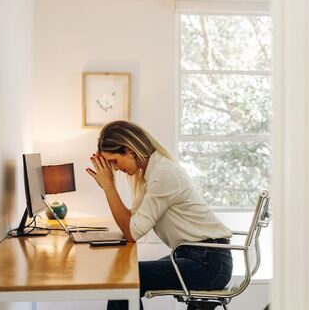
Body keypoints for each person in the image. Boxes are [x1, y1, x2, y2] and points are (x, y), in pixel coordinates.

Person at [86, 120, 233, 310]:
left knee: (122, 280)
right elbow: (132, 224)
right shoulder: (150, 174)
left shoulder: (162, 174)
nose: (114, 169)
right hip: (196, 255)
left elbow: (133, 232)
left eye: (114, 161)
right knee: (123, 276)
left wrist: (109, 188)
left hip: (209, 262)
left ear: (130, 150)